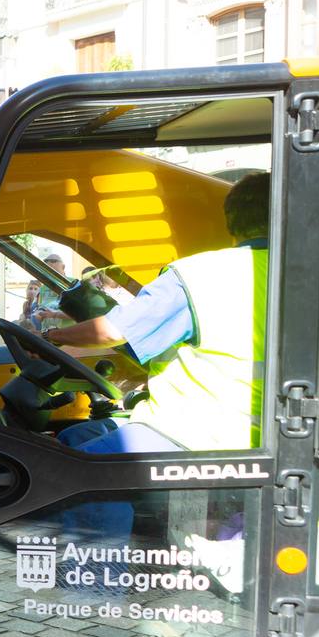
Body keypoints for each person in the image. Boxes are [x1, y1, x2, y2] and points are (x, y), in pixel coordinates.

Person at [46, 171, 270, 455]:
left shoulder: (200, 275)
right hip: (263, 440)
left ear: (230, 222)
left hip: (191, 435)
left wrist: (54, 336)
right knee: (75, 438)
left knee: (67, 473)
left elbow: (113, 331)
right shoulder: (305, 275)